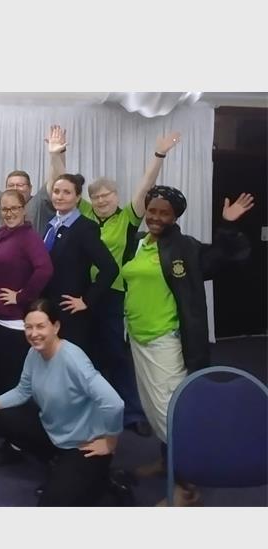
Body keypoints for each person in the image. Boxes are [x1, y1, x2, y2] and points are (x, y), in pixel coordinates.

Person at [121, 186, 253, 505]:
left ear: (175, 216)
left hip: (166, 339)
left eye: (164, 213)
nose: (156, 217)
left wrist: (229, 226)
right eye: (152, 210)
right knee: (154, 409)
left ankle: (187, 484)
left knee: (172, 412)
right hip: (139, 337)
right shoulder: (139, 243)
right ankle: (167, 461)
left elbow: (224, 258)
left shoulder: (185, 247)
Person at [54, 127, 182, 436]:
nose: (101, 200)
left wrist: (159, 155)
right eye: (96, 196)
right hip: (82, 294)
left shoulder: (127, 217)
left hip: (112, 294)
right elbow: (62, 184)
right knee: (87, 353)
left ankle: (133, 412)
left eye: (106, 195)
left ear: (116, 197)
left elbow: (145, 186)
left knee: (115, 353)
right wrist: (57, 154)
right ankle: (94, 406)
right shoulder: (84, 213)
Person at [0, 299, 125, 507]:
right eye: (28, 327)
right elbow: (22, 391)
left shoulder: (73, 359)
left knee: (50, 504)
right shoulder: (34, 353)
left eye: (40, 326)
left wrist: (110, 441)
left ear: (56, 326)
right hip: (56, 432)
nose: (33, 333)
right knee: (1, 416)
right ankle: (58, 462)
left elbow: (114, 403)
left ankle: (100, 478)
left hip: (83, 445)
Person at [0, 189, 54, 466]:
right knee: (2, 380)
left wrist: (22, 296)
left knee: (14, 384)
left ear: (24, 209)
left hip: (13, 324)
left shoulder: (28, 237)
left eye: (14, 208)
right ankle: (6, 430)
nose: (8, 213)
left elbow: (44, 269)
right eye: (4, 209)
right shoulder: (2, 234)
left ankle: (17, 444)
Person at [41, 173, 118, 351]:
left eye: (66, 192)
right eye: (56, 191)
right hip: (49, 306)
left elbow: (110, 268)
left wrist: (87, 300)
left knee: (70, 360)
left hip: (71, 311)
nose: (60, 196)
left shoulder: (85, 227)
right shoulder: (51, 225)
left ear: (77, 198)